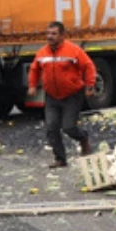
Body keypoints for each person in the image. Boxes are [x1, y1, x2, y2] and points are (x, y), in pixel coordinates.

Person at [27, 21, 96, 168]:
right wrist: (32, 86)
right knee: (52, 127)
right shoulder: (42, 53)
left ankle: (83, 139)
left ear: (62, 35)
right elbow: (34, 69)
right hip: (52, 96)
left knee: (68, 127)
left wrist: (89, 85)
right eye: (48, 34)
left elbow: (88, 66)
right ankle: (60, 159)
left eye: (53, 34)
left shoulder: (73, 51)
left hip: (72, 95)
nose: (50, 37)